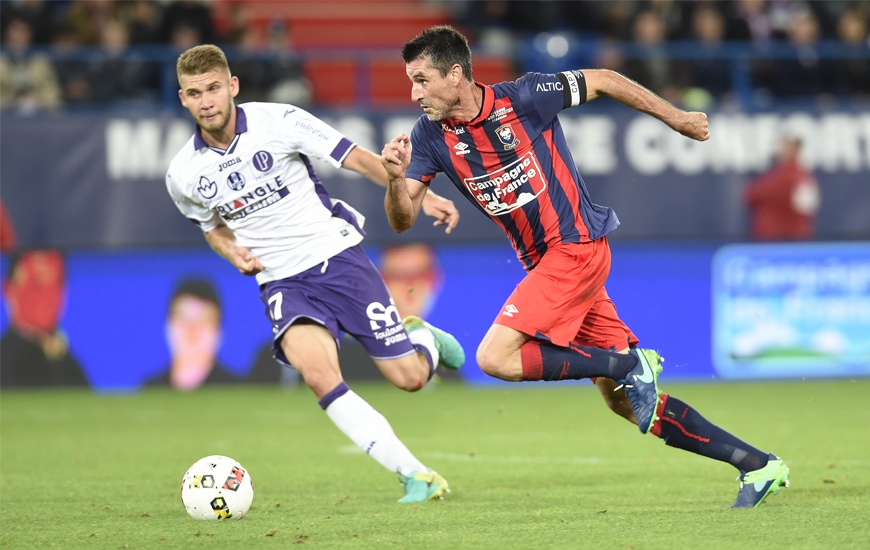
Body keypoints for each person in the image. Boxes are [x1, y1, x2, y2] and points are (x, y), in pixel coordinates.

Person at [381, 26, 790, 509]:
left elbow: (604, 80)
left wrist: (675, 117)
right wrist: (392, 180)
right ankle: (757, 464)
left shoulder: (526, 96)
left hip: (575, 248)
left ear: (455, 75)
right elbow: (403, 220)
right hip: (552, 266)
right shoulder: (429, 136)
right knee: (624, 399)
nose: (415, 93)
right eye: (411, 82)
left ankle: (625, 364)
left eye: (422, 80)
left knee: (495, 357)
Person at [165, 44, 465, 503]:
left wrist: (416, 195)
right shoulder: (183, 174)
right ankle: (417, 475)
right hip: (282, 282)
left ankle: (420, 336)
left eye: (213, 89)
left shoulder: (279, 121)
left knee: (410, 379)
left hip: (337, 260)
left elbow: (358, 157)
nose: (206, 101)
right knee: (319, 375)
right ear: (182, 99)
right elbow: (212, 228)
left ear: (232, 87)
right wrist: (234, 254)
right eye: (193, 93)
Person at [0, 249, 88, 388]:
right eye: (37, 284)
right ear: (9, 289)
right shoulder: (4, 362)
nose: (48, 298)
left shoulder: (67, 364)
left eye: (56, 283)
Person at [144, 279, 239, 390]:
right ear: (168, 326)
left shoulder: (236, 390)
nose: (192, 329)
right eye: (183, 318)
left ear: (219, 332)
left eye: (203, 320)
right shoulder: (151, 391)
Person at [744, 136, 819, 241]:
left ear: (793, 149)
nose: (779, 150)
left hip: (778, 241)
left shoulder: (788, 177)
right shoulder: (803, 176)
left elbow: (750, 194)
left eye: (784, 146)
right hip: (794, 239)